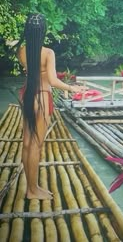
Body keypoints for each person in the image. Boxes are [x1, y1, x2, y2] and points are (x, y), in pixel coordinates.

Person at [17, 13, 84, 200]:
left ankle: (31, 186)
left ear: (27, 31)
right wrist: (71, 87)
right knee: (36, 146)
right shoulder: (48, 53)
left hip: (27, 96)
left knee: (27, 143)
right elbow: (53, 81)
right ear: (43, 31)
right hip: (42, 97)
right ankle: (32, 189)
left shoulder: (21, 51)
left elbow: (32, 71)